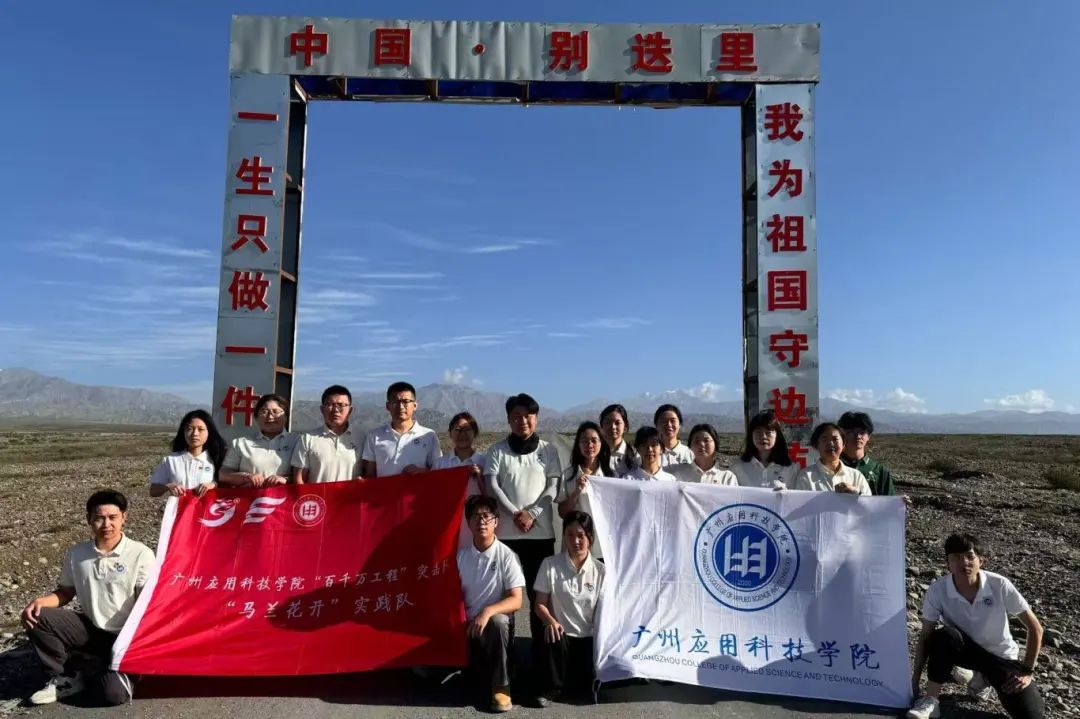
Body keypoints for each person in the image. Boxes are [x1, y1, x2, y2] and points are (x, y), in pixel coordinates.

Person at [22, 490, 155, 706]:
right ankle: (66, 675)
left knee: (114, 696)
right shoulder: (77, 553)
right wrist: (40, 602)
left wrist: (142, 645)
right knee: (36, 614)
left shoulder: (141, 554)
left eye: (112, 517)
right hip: (89, 629)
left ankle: (101, 664)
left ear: (124, 517)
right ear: (89, 519)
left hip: (126, 637)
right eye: (99, 518)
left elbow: (148, 603)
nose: (106, 524)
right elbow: (66, 592)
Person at [908, 534, 1045, 719]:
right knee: (944, 636)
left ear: (981, 560)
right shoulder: (938, 590)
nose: (964, 562)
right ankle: (931, 700)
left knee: (1031, 715)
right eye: (956, 557)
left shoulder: (999, 584)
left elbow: (1035, 628)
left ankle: (980, 678)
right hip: (965, 651)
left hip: (1000, 657)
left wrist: (1027, 671)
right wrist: (915, 679)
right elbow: (925, 635)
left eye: (970, 556)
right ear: (948, 562)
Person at [484, 393, 562, 665]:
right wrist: (516, 514)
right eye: (516, 416)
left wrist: (532, 513)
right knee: (506, 598)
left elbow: (553, 487)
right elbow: (492, 486)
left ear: (536, 418)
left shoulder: (549, 451)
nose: (522, 421)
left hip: (540, 536)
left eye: (528, 416)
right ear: (508, 420)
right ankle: (506, 661)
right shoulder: (496, 450)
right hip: (505, 537)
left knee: (540, 598)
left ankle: (541, 661)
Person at [457, 495, 525, 714]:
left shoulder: (507, 556)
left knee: (498, 621)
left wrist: (487, 611)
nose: (481, 521)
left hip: (493, 629)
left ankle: (501, 686)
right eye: (475, 516)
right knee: (425, 671)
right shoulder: (460, 557)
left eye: (486, 516)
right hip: (467, 626)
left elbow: (517, 600)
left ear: (496, 521)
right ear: (468, 523)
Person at [534, 511, 606, 705]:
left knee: (584, 686)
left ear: (590, 538)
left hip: (589, 638)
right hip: (561, 636)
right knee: (552, 632)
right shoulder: (550, 564)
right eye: (570, 535)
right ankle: (550, 689)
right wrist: (550, 621)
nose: (575, 541)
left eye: (581, 535)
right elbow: (539, 603)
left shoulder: (601, 571)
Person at [556, 422, 616, 558]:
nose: (589, 445)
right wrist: (576, 491)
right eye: (584, 441)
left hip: (603, 545)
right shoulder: (568, 475)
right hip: (575, 544)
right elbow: (562, 513)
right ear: (578, 444)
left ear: (601, 443)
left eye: (594, 440)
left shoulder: (610, 476)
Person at [360, 381, 441, 478]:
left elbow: (438, 471)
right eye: (395, 402)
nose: (400, 406)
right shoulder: (374, 436)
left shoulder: (429, 435)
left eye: (406, 401)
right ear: (388, 406)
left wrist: (421, 471)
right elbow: (370, 476)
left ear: (415, 405)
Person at [218, 393, 296, 487]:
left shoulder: (297, 441)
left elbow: (307, 475)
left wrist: (285, 479)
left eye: (275, 411)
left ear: (286, 417)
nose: (270, 416)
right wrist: (246, 476)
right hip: (249, 495)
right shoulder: (240, 443)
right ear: (256, 417)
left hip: (284, 496)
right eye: (264, 411)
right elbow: (223, 474)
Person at [434, 412, 487, 548]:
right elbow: (432, 494)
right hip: (447, 523)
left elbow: (491, 496)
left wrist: (480, 476)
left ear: (475, 433)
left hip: (476, 524)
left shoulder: (484, 462)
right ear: (450, 433)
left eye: (467, 429)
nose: (462, 434)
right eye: (457, 429)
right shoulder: (440, 464)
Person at [291, 385, 361, 484]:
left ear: (350, 410)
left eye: (341, 405)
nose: (336, 410)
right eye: (330, 404)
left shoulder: (362, 438)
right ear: (322, 409)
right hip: (317, 494)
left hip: (350, 494)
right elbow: (299, 479)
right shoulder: (307, 439)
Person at [149, 409, 227, 497]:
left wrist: (213, 485)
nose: (195, 433)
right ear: (184, 432)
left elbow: (228, 487)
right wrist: (168, 486)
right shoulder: (170, 460)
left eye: (200, 429)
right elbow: (153, 491)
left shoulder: (216, 460)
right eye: (190, 429)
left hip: (208, 506)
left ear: (209, 432)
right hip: (179, 506)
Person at [793, 422, 871, 495]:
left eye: (835, 439)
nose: (830, 443)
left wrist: (856, 492)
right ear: (816, 445)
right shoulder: (806, 476)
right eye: (824, 439)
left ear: (843, 445)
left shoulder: (856, 476)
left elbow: (868, 502)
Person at [729, 410, 797, 490]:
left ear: (777, 436)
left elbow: (796, 496)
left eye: (768, 433)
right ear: (751, 436)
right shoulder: (737, 467)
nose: (763, 437)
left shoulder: (790, 468)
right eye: (758, 432)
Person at [838, 411, 898, 497]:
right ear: (841, 435)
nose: (858, 436)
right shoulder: (832, 467)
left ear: (868, 436)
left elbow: (890, 501)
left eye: (862, 432)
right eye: (851, 432)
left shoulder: (880, 471)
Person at [669, 424, 738, 485]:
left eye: (706, 440)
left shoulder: (727, 477)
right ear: (690, 446)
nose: (701, 444)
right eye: (697, 441)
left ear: (715, 444)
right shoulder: (676, 474)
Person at [599, 404, 635, 476]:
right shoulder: (595, 454)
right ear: (601, 426)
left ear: (625, 425)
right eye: (608, 422)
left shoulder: (635, 455)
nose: (613, 427)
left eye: (617, 423)